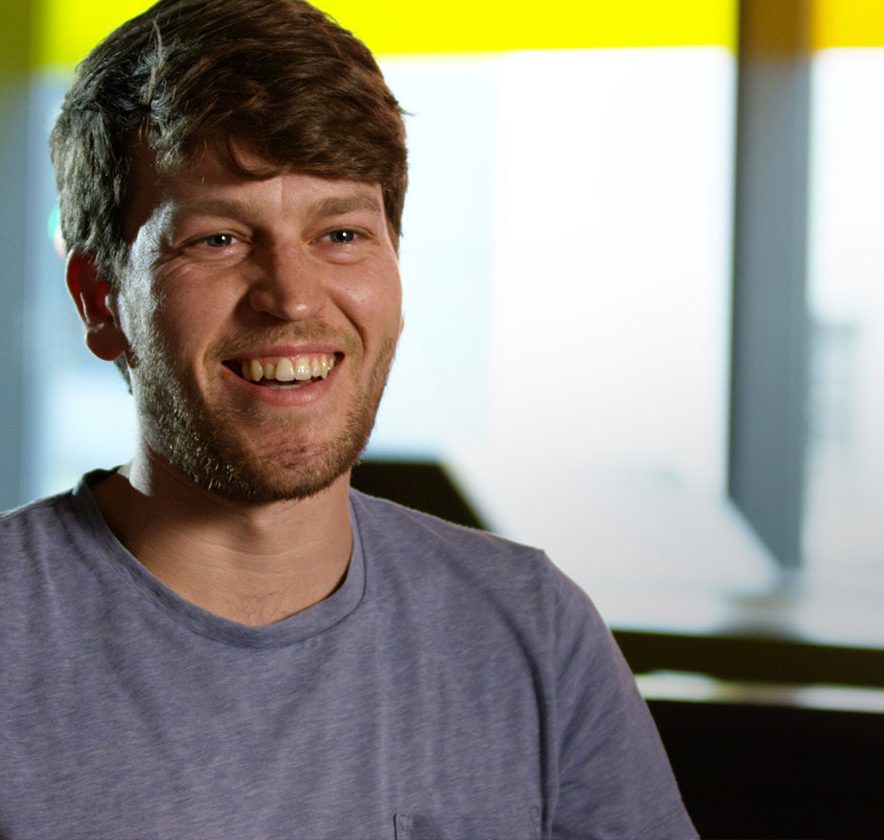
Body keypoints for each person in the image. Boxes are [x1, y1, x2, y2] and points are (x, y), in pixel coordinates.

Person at [0, 1, 696, 837]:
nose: (292, 296)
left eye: (340, 233)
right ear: (100, 298)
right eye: (218, 239)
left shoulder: (532, 633)